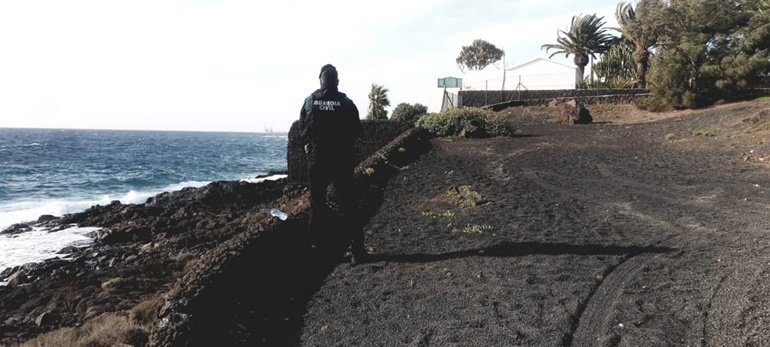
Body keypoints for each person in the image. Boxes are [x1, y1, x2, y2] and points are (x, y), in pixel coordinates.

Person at [299, 64, 366, 264]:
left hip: (317, 160)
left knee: (317, 205)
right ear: (337, 81)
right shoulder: (346, 103)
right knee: (349, 205)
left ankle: (318, 250)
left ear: (320, 80)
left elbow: (303, 131)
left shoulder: (310, 102)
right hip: (341, 160)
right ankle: (357, 250)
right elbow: (356, 131)